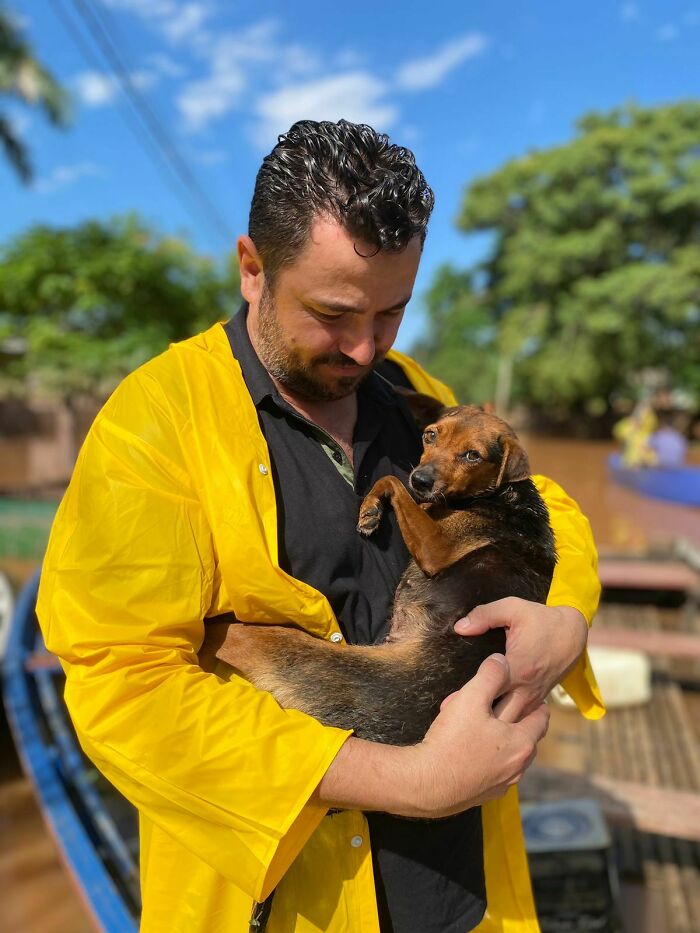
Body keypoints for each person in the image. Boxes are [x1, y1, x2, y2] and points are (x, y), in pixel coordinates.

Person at [37, 120, 604, 933]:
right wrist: (411, 780)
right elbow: (122, 687)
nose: (366, 346)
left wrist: (567, 619)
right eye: (334, 313)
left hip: (459, 892)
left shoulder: (415, 394)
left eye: (393, 313)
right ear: (252, 268)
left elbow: (543, 503)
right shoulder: (153, 425)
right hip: (280, 900)